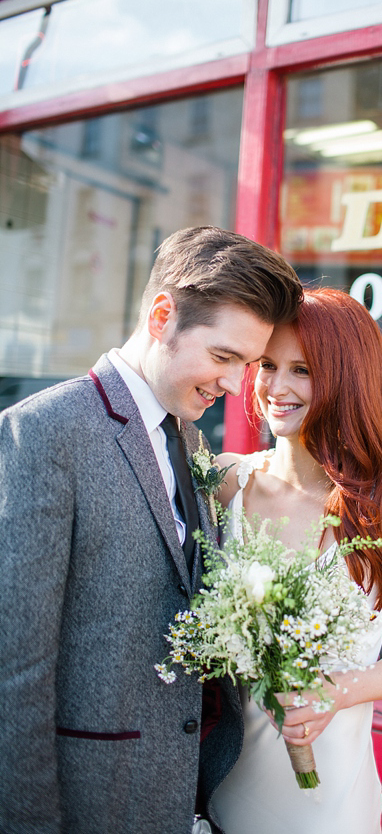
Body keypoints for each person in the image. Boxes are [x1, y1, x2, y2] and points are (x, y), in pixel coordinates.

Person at [0, 226, 303, 834]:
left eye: (245, 364)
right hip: (86, 800)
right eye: (223, 357)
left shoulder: (189, 438)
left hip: (180, 799)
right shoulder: (43, 432)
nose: (234, 384)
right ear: (163, 316)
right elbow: (16, 669)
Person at [212, 288, 382, 834]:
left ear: (346, 378)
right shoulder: (227, 482)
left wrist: (335, 691)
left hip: (328, 800)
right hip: (222, 779)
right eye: (268, 365)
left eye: (304, 370)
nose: (277, 387)